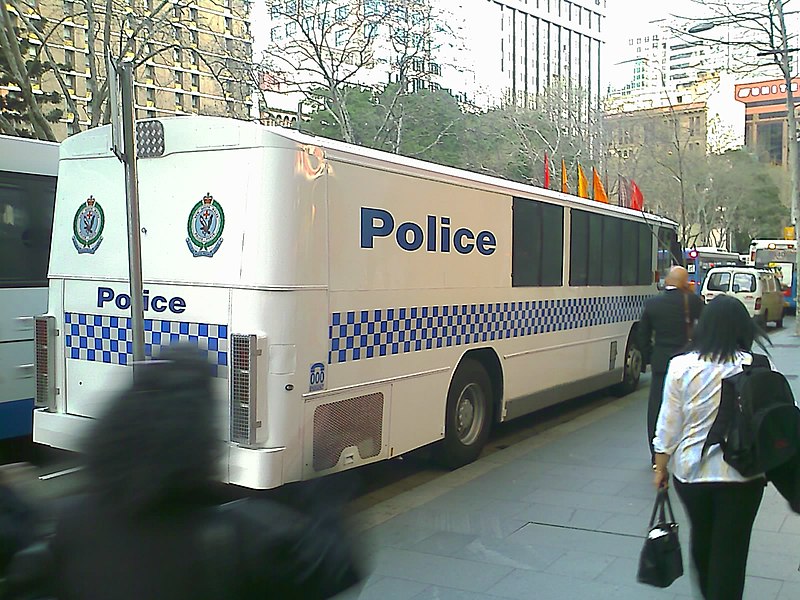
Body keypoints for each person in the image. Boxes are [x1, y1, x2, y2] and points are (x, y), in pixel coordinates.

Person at [4, 345, 363, 600]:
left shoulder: (70, 525)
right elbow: (338, 566)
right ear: (199, 439)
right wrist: (320, 477)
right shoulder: (243, 535)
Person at [652, 295, 769, 600]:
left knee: (702, 542)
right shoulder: (756, 365)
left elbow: (668, 424)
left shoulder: (680, 366)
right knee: (732, 551)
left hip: (692, 476)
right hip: (743, 476)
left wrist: (660, 467)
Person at [638, 265, 703, 463]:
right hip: (687, 363)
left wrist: (651, 356)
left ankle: (655, 453)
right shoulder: (692, 301)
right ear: (684, 283)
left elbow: (642, 337)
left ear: (667, 281)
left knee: (657, 408)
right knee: (686, 406)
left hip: (661, 363)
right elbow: (705, 326)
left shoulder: (652, 303)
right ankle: (685, 450)